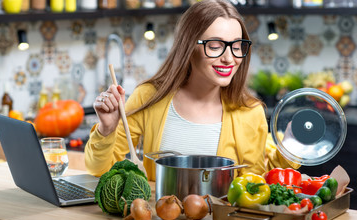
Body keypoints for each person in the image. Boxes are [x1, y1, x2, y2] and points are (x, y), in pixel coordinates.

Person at [85, 0, 298, 181]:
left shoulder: (250, 112)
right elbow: (98, 170)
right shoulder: (149, 96)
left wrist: (290, 151)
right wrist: (106, 130)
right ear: (188, 46)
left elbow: (254, 184)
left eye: (236, 46)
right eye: (215, 46)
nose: (229, 58)